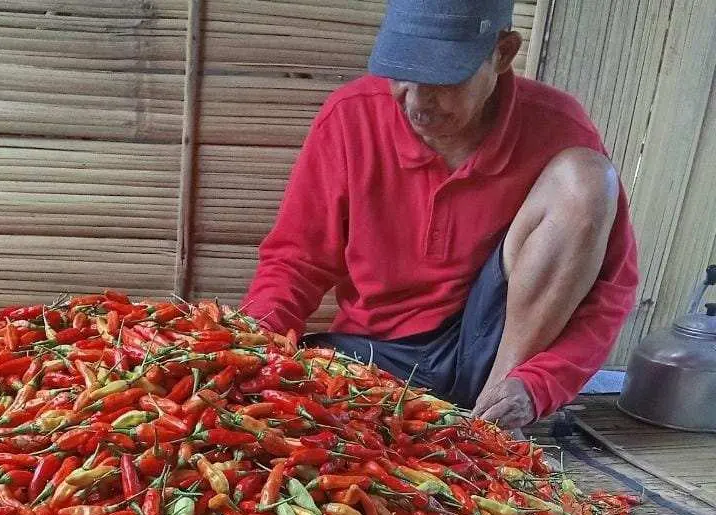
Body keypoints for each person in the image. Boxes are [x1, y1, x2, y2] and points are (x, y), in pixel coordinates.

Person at [242, 0, 639, 430]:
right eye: (400, 76)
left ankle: (492, 419)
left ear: (502, 53)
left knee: (587, 178)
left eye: (442, 80)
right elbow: (296, 261)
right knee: (274, 415)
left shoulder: (558, 126)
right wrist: (248, 346)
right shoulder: (350, 115)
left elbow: (610, 289)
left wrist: (538, 384)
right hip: (374, 352)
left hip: (487, 352)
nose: (416, 104)